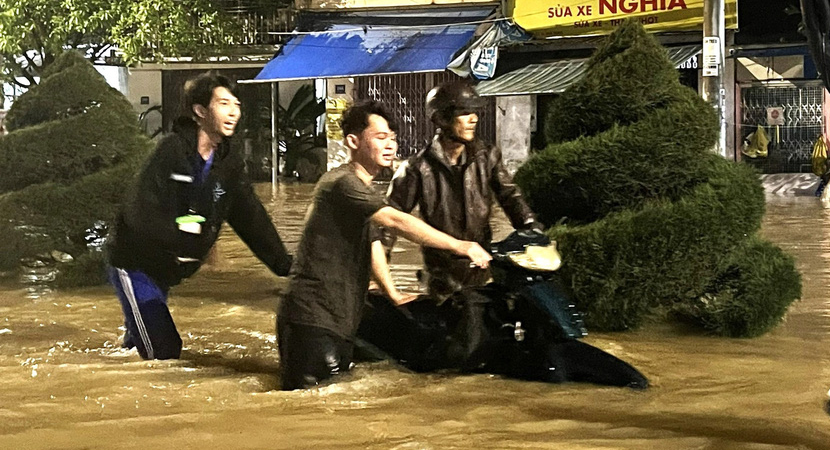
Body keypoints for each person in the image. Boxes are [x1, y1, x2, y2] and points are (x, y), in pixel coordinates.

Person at [277, 99, 491, 390]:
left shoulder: (362, 189)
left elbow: (373, 241)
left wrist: (391, 291)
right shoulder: (342, 182)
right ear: (353, 141)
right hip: (312, 320)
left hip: (338, 322)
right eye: (380, 138)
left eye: (392, 138)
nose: (390, 145)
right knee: (313, 410)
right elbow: (395, 221)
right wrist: (461, 246)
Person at [107, 72, 292, 360]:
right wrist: (189, 239)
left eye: (236, 104)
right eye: (223, 103)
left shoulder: (228, 163)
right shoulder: (170, 151)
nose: (233, 112)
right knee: (163, 351)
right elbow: (139, 211)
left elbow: (251, 217)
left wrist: (285, 265)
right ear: (200, 111)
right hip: (134, 262)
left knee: (137, 346)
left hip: (167, 268)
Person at [371, 81, 540, 368]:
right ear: (441, 119)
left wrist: (533, 230)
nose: (474, 119)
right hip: (444, 282)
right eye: (464, 112)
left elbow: (511, 196)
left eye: (475, 112)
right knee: (462, 358)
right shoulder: (416, 169)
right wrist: (378, 277)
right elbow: (389, 224)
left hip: (486, 274)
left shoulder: (488, 157)